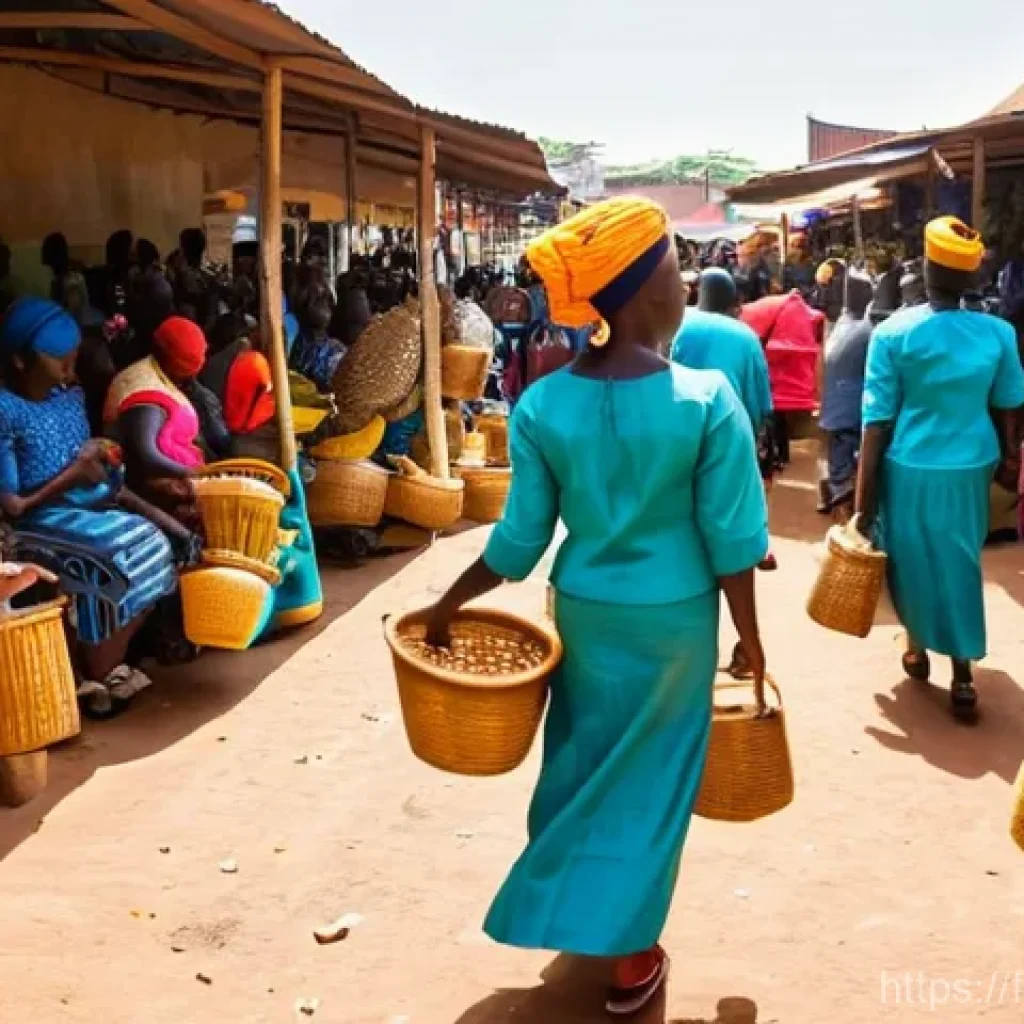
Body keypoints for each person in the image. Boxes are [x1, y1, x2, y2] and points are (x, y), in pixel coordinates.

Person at [422, 197, 769, 1015]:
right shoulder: (705, 397)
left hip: (582, 611)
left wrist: (447, 601)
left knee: (583, 767)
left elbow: (518, 543)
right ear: (653, 290)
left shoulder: (543, 404)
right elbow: (732, 543)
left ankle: (588, 919)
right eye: (678, 274)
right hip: (677, 622)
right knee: (653, 784)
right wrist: (751, 641)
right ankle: (631, 952)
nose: (685, 290)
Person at [856, 217, 1024, 719]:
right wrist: (1010, 460)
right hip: (972, 463)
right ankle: (963, 672)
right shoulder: (998, 333)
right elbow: (1009, 405)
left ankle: (916, 646)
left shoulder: (892, 333)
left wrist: (862, 504)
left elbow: (877, 422)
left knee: (909, 560)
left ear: (925, 271)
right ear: (972, 279)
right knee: (960, 560)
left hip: (908, 464)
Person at [0, 297, 184, 714]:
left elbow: (93, 471)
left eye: (73, 359)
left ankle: (103, 663)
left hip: (88, 508)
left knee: (162, 546)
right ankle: (98, 668)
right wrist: (76, 471)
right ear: (19, 361)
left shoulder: (69, 397)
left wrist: (101, 459)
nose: (69, 370)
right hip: (37, 519)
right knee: (119, 555)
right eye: (59, 362)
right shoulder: (5, 410)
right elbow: (13, 504)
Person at [673, 267, 777, 574]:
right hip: (730, 430)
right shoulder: (745, 336)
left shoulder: (677, 324)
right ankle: (758, 546)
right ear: (733, 300)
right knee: (746, 493)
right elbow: (760, 401)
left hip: (678, 427)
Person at [103, 315, 207, 521]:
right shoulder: (145, 392)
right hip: (154, 494)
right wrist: (193, 474)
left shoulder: (157, 373)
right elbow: (145, 455)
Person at [818, 270, 874, 518]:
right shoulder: (867, 330)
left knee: (838, 457)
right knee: (848, 463)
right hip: (851, 409)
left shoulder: (841, 324)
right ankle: (842, 502)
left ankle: (833, 489)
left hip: (833, 406)